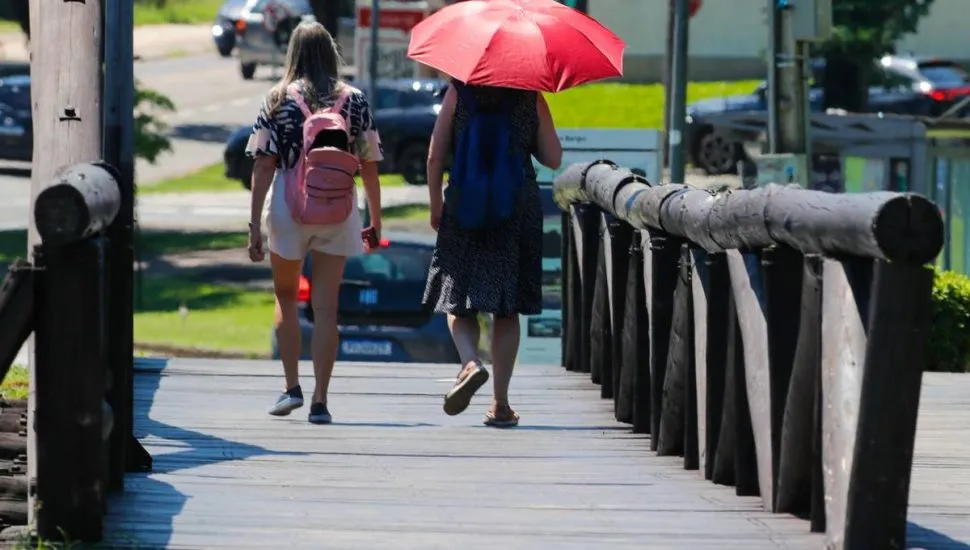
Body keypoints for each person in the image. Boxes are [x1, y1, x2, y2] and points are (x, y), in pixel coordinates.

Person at [246, 21, 384, 425]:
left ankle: (291, 388)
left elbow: (263, 165)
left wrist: (254, 224)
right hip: (339, 207)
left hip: (290, 205)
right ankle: (321, 401)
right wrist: (375, 219)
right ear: (331, 53)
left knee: (286, 298)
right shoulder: (354, 100)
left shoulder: (275, 100)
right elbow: (371, 165)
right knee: (327, 308)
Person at [422, 80, 563, 427]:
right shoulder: (530, 97)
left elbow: (434, 155)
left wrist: (435, 204)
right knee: (507, 308)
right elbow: (554, 157)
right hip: (515, 208)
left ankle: (470, 361)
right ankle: (500, 404)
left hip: (465, 204)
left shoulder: (458, 93)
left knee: (457, 299)